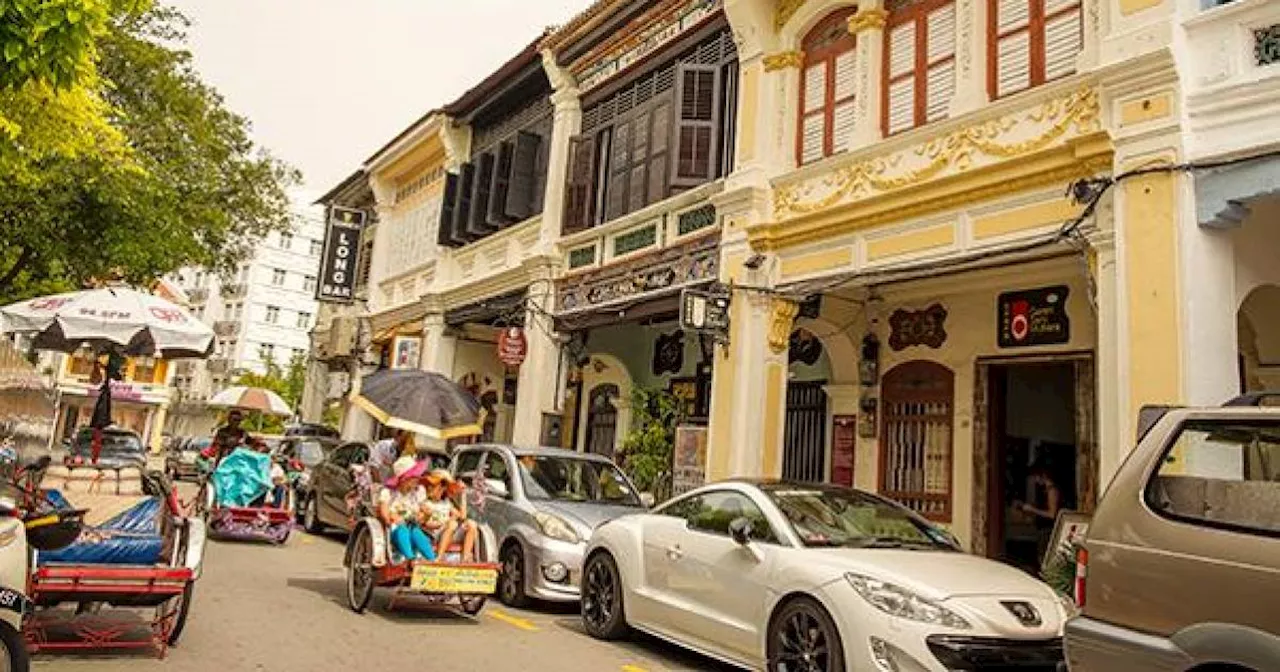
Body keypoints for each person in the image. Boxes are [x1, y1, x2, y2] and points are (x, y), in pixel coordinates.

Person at [378, 456, 436, 562]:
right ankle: (410, 559)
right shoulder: (388, 493)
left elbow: (423, 516)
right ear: (404, 479)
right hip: (394, 532)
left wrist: (425, 514)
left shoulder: (417, 492)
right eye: (414, 477)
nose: (418, 479)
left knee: (416, 532)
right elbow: (384, 513)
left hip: (413, 528)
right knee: (403, 529)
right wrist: (392, 516)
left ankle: (432, 560)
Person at [1015, 454, 1062, 562]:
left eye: (1036, 476)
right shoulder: (1043, 490)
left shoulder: (1052, 490)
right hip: (1042, 529)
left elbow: (1052, 514)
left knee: (1044, 559)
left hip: (1048, 530)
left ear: (1043, 475)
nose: (1035, 480)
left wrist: (1032, 509)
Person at [424, 469, 477, 562]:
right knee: (452, 524)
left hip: (450, 532)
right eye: (429, 486)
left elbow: (462, 516)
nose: (430, 488)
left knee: (471, 524)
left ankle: (465, 559)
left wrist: (463, 494)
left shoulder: (446, 503)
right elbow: (426, 524)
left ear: (443, 488)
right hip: (435, 534)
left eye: (434, 486)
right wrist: (445, 523)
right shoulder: (426, 503)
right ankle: (439, 557)